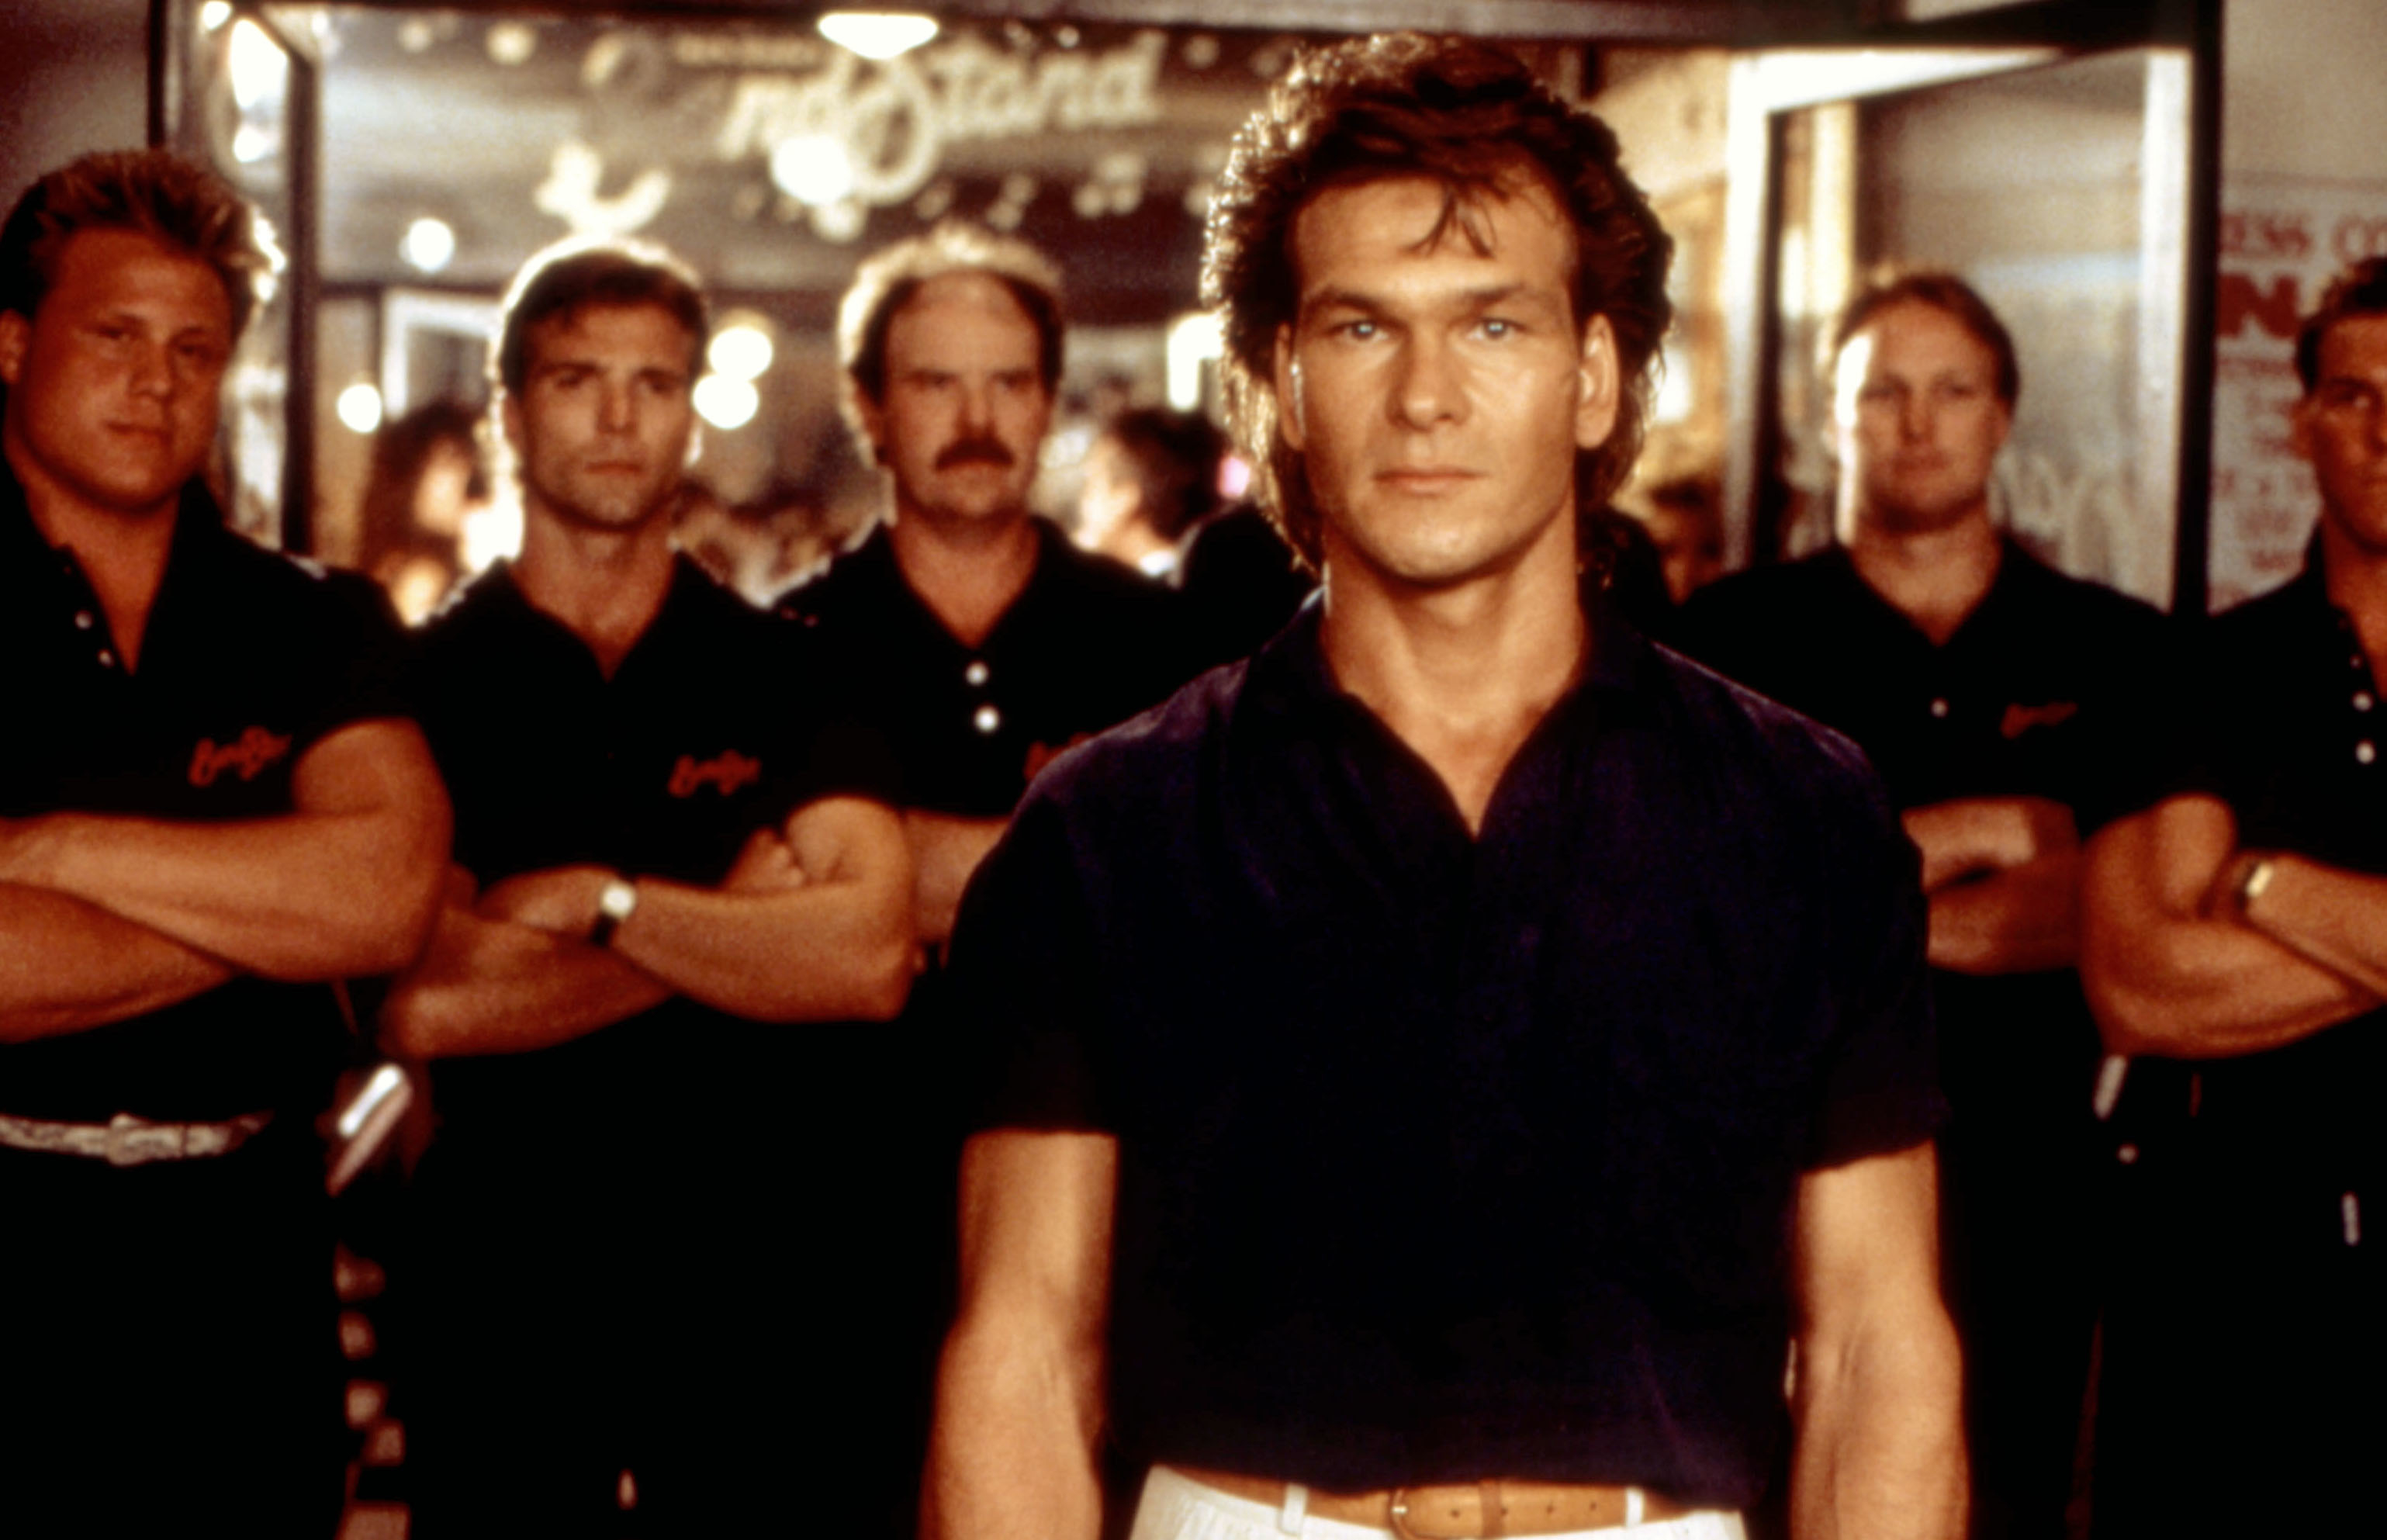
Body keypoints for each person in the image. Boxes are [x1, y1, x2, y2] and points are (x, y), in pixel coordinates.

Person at [928, 34, 1964, 1540]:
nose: (1422, 395)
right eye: (1359, 328)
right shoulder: (1109, 825)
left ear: (1594, 374)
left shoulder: (1794, 809)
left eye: (1489, 325)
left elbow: (1876, 1347)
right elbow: (1022, 1353)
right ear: (1280, 378)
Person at [380, 237, 915, 1535]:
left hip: (757, 1269)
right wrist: (730, 920)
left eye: (654, 384)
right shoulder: (420, 682)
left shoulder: (792, 667)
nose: (621, 418)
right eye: (578, 381)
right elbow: (428, 1008)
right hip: (500, 1272)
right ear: (512, 411)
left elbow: (863, 961)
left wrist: (603, 901)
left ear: (689, 413)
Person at [1673, 272, 2170, 1538]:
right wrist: (1992, 835)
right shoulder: (1728, 644)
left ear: (2003, 416)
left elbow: (2134, 916)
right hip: (1779, 1176)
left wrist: (1843, 895)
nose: (1916, 422)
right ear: (1827, 420)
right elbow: (1700, 922)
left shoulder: (2119, 648)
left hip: (2037, 1176)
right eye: (1879, 392)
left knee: (2012, 1498)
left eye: (1952, 390)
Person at [0, 147, 451, 1530]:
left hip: (244, 1258)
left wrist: (54, 847)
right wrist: (267, 904)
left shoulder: (315, 619)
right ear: (14, 341)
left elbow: (387, 898)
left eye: (197, 348)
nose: (158, 381)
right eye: (116, 337)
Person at [2078, 257, 2387, 1534]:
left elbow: (2202, 927)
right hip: (2236, 1301)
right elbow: (2143, 983)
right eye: (2353, 393)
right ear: (2302, 417)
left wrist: (2260, 884)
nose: (2386, 430)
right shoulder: (2199, 673)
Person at [778, 220, 1192, 950]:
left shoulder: (1155, 636)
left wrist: (883, 868)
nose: (977, 420)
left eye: (1008, 383)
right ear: (870, 407)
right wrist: (1089, 854)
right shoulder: (787, 642)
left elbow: (1190, 887)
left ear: (1046, 404)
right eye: (936, 384)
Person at [1074, 404, 1226, 580]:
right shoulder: (1210, 579)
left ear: (1125, 498)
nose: (1084, 502)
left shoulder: (1138, 597)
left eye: (1091, 484)